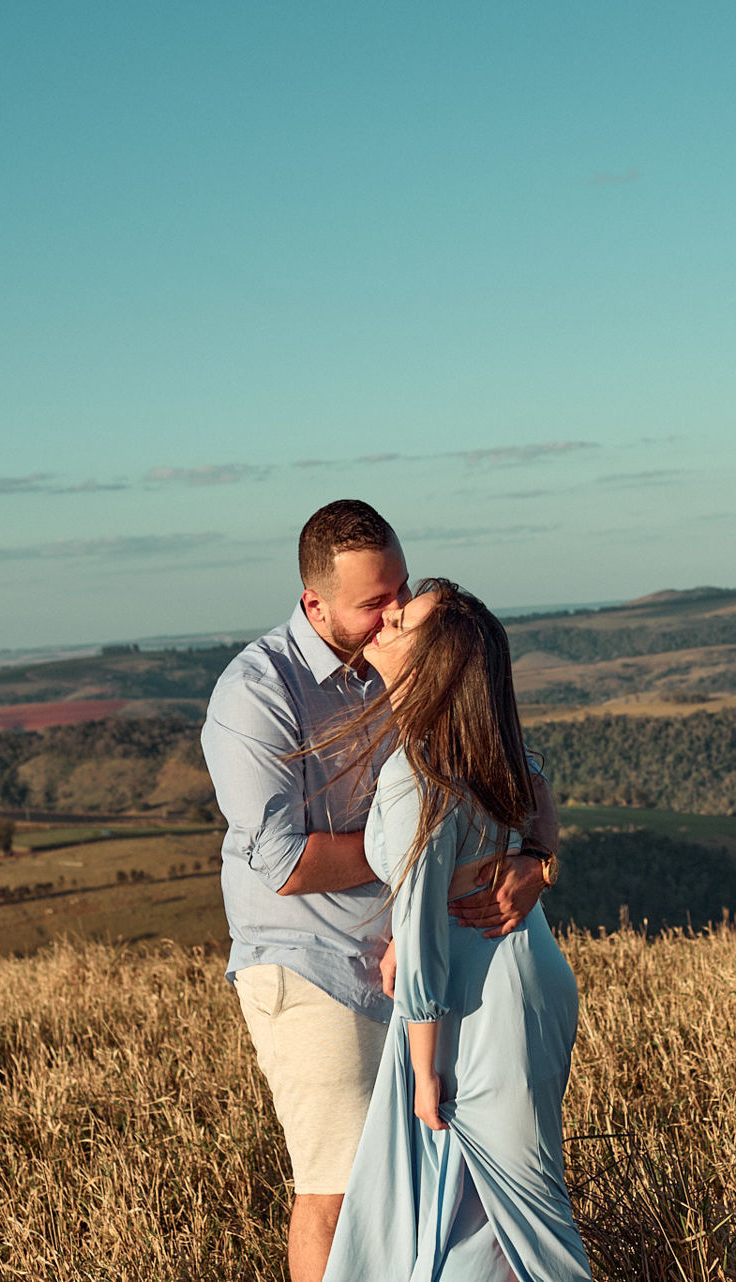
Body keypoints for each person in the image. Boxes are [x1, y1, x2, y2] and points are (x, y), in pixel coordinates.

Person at [200, 500, 560, 1282]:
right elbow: (284, 862)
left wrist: (533, 854)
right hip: (313, 962)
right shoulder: (256, 696)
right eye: (374, 603)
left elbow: (521, 774)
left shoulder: (414, 659)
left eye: (398, 589)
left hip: (427, 961)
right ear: (314, 604)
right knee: (340, 1191)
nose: (394, 611)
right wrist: (431, 844)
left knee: (435, 1188)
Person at [319, 578, 591, 1281]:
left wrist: (420, 1074)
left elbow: (422, 948)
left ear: (435, 662)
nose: (381, 624)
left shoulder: (421, 774)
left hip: (480, 1005)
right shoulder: (476, 749)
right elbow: (535, 788)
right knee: (486, 1223)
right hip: (518, 975)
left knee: (524, 1232)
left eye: (400, 620)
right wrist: (536, 856)